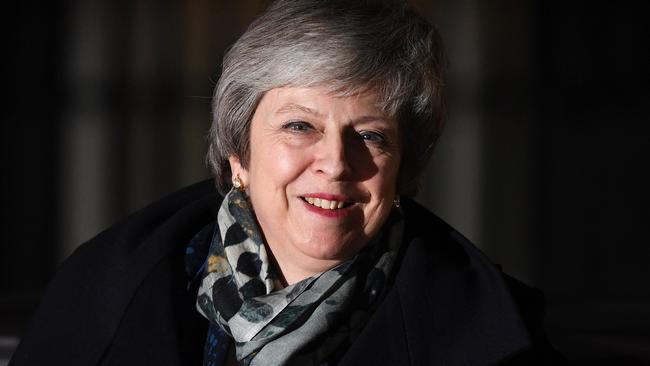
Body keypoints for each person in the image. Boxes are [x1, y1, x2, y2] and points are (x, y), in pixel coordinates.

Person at [10, 0, 563, 365]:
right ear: (238, 154)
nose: (335, 163)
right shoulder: (106, 291)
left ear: (405, 169)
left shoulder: (501, 338)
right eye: (300, 126)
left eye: (370, 136)